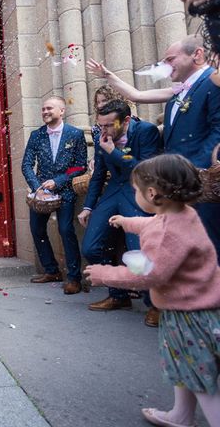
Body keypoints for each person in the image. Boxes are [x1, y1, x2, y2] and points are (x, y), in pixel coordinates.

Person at [85, 154, 220, 427]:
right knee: (183, 364)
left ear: (152, 193)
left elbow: (150, 273)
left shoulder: (169, 232)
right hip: (192, 308)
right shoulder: (181, 214)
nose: (134, 193)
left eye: (135, 189)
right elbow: (152, 223)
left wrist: (105, 274)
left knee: (200, 376)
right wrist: (127, 221)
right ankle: (181, 415)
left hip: (190, 316)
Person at [88, 35, 220, 263]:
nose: (165, 66)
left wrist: (194, 170)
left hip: (199, 180)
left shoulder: (213, 81)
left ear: (197, 54)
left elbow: (218, 131)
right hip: (179, 184)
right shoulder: (179, 91)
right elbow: (136, 96)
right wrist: (108, 76)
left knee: (209, 243)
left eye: (170, 59)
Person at [78, 100, 162, 323]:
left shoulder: (146, 131)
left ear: (125, 120)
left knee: (139, 249)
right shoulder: (101, 137)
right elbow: (98, 176)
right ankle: (118, 294)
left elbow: (145, 169)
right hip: (113, 192)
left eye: (108, 125)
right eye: (100, 125)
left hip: (138, 192)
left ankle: (155, 304)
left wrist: (114, 152)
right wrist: (87, 207)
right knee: (91, 247)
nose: (103, 130)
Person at [21, 96, 87, 294]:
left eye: (49, 108)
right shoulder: (36, 135)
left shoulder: (75, 134)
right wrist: (37, 186)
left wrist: (58, 181)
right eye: (42, 109)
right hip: (41, 194)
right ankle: (51, 270)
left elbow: (80, 165)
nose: (45, 112)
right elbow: (26, 165)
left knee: (66, 230)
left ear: (62, 111)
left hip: (65, 191)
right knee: (37, 229)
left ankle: (74, 278)